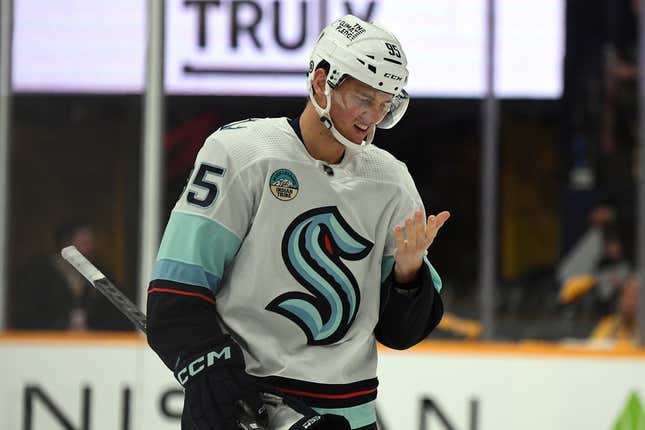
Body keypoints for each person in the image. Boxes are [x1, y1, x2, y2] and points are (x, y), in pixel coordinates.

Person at [147, 14, 449, 430]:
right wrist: (208, 369)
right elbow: (176, 293)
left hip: (346, 416)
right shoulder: (241, 155)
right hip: (242, 404)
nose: (372, 118)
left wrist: (408, 272)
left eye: (385, 104)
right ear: (322, 81)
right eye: (364, 98)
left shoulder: (390, 182)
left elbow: (400, 333)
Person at [11, 220, 132, 331]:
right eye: (85, 244)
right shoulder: (37, 275)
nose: (90, 249)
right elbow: (26, 316)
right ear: (66, 245)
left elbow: (119, 314)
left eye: (91, 244)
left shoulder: (101, 275)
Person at [589, 274, 640, 347]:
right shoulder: (608, 326)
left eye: (635, 297)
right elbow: (594, 350)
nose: (631, 303)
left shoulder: (641, 330)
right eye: (628, 296)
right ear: (621, 300)